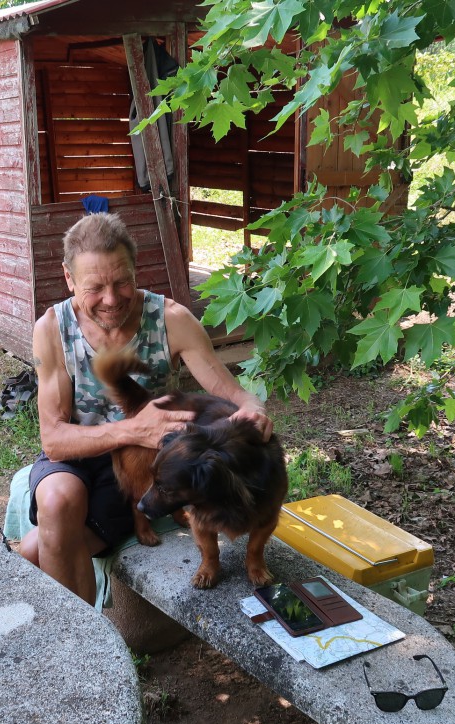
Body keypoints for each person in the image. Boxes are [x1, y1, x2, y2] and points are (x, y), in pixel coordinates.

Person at [18, 213, 273, 604]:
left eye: (122, 281)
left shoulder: (170, 319)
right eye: (95, 287)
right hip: (80, 453)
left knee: (41, 550)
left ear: (136, 269)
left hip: (142, 466)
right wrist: (131, 430)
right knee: (55, 500)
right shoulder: (52, 328)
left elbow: (233, 393)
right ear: (69, 278)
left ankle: (85, 638)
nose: (111, 298)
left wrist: (254, 409)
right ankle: (84, 643)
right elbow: (53, 440)